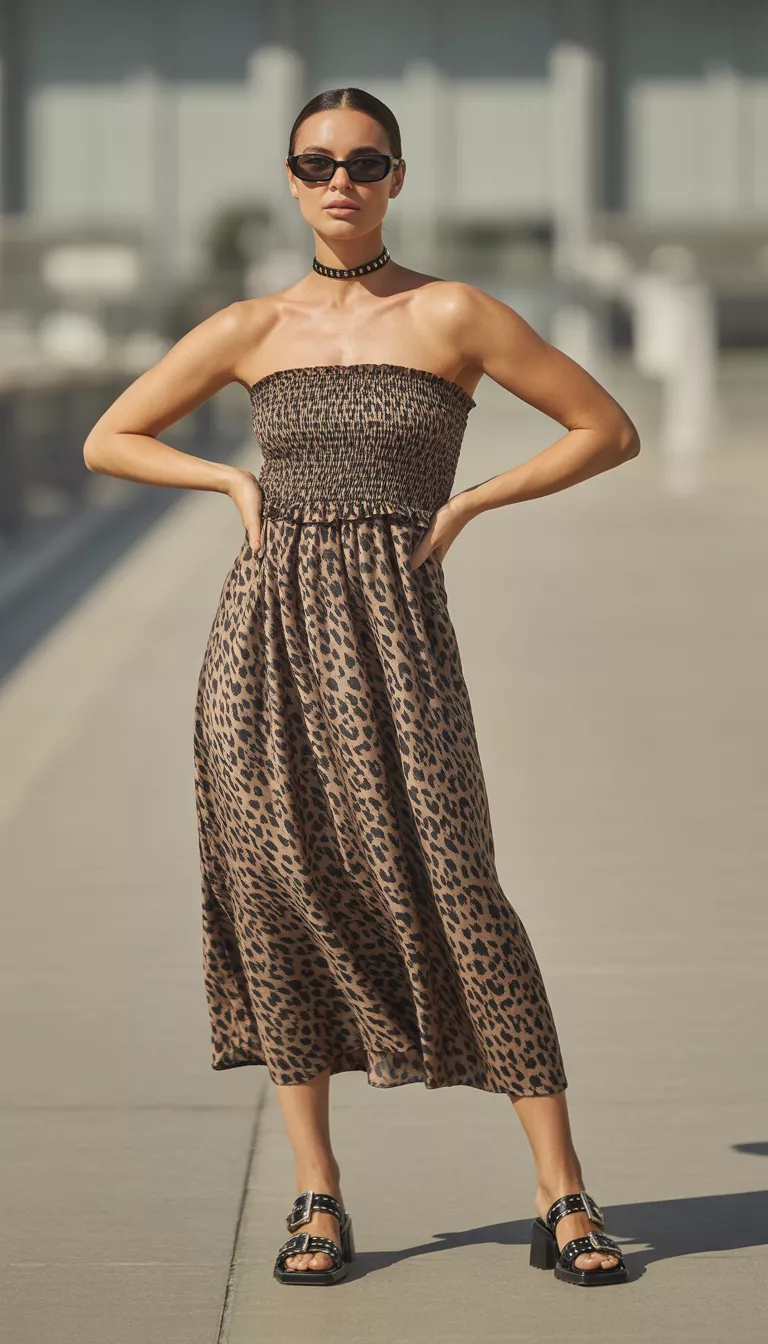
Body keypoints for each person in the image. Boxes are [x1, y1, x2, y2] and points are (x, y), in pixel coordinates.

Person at [83, 85, 639, 1290]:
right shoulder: (250, 325)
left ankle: (563, 1193)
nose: (341, 179)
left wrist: (475, 500)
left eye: (366, 160)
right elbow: (110, 436)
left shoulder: (454, 313)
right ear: (291, 179)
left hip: (398, 633)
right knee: (278, 890)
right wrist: (233, 487)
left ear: (397, 178)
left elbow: (604, 428)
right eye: (317, 161)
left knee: (457, 880)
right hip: (264, 635)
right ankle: (318, 1192)